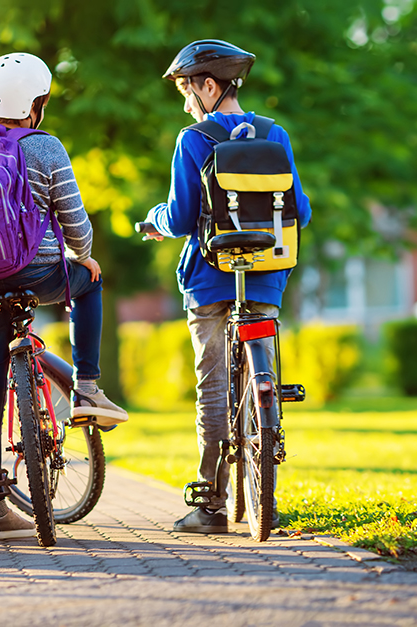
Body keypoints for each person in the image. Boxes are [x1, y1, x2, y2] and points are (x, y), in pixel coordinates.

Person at [0, 52, 129, 541]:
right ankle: (87, 384)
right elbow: (77, 226)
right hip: (38, 274)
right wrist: (84, 256)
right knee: (92, 281)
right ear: (36, 103)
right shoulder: (47, 148)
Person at [142, 40, 311, 534]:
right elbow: (299, 210)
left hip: (210, 281)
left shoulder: (194, 139)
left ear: (209, 86)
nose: (186, 102)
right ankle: (267, 420)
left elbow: (178, 217)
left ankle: (211, 504)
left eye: (187, 91)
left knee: (212, 387)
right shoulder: (275, 134)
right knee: (263, 363)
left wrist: (151, 222)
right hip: (266, 277)